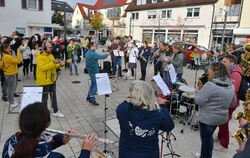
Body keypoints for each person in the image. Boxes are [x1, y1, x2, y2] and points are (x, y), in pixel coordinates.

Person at [2, 102, 98, 158]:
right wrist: (86, 150)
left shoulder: (10, 142)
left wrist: (60, 140)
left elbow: (39, 146)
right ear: (47, 125)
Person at [116, 81, 174, 158]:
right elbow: (169, 126)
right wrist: (162, 105)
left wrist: (133, 100)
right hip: (149, 154)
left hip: (126, 153)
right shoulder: (158, 113)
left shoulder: (122, 109)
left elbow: (130, 108)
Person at [195, 62, 236, 158]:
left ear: (215, 72)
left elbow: (199, 101)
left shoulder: (210, 85)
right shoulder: (231, 85)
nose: (208, 72)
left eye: (209, 70)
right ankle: (206, 154)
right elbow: (232, 103)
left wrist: (198, 92)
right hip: (220, 118)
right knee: (209, 139)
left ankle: (204, 156)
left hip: (207, 118)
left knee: (206, 141)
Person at [214, 55, 242, 151]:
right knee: (221, 121)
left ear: (232, 63)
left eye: (225, 62)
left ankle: (224, 145)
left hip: (230, 102)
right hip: (226, 101)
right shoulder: (229, 70)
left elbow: (233, 90)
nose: (222, 63)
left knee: (224, 123)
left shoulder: (235, 74)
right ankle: (219, 137)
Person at [36, 42, 65, 118]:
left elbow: (54, 66)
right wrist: (53, 62)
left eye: (51, 47)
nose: (51, 49)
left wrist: (60, 65)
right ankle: (44, 114)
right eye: (49, 47)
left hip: (52, 79)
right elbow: (43, 68)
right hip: (44, 81)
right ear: (44, 48)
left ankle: (55, 111)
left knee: (53, 96)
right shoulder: (39, 57)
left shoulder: (51, 55)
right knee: (44, 99)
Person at [1, 43, 22, 107]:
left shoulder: (4, 55)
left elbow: (1, 65)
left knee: (8, 87)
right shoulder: (7, 56)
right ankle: (11, 102)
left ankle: (9, 99)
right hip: (11, 74)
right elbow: (18, 61)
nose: (10, 49)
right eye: (9, 48)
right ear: (5, 49)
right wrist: (19, 53)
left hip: (8, 73)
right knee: (11, 89)